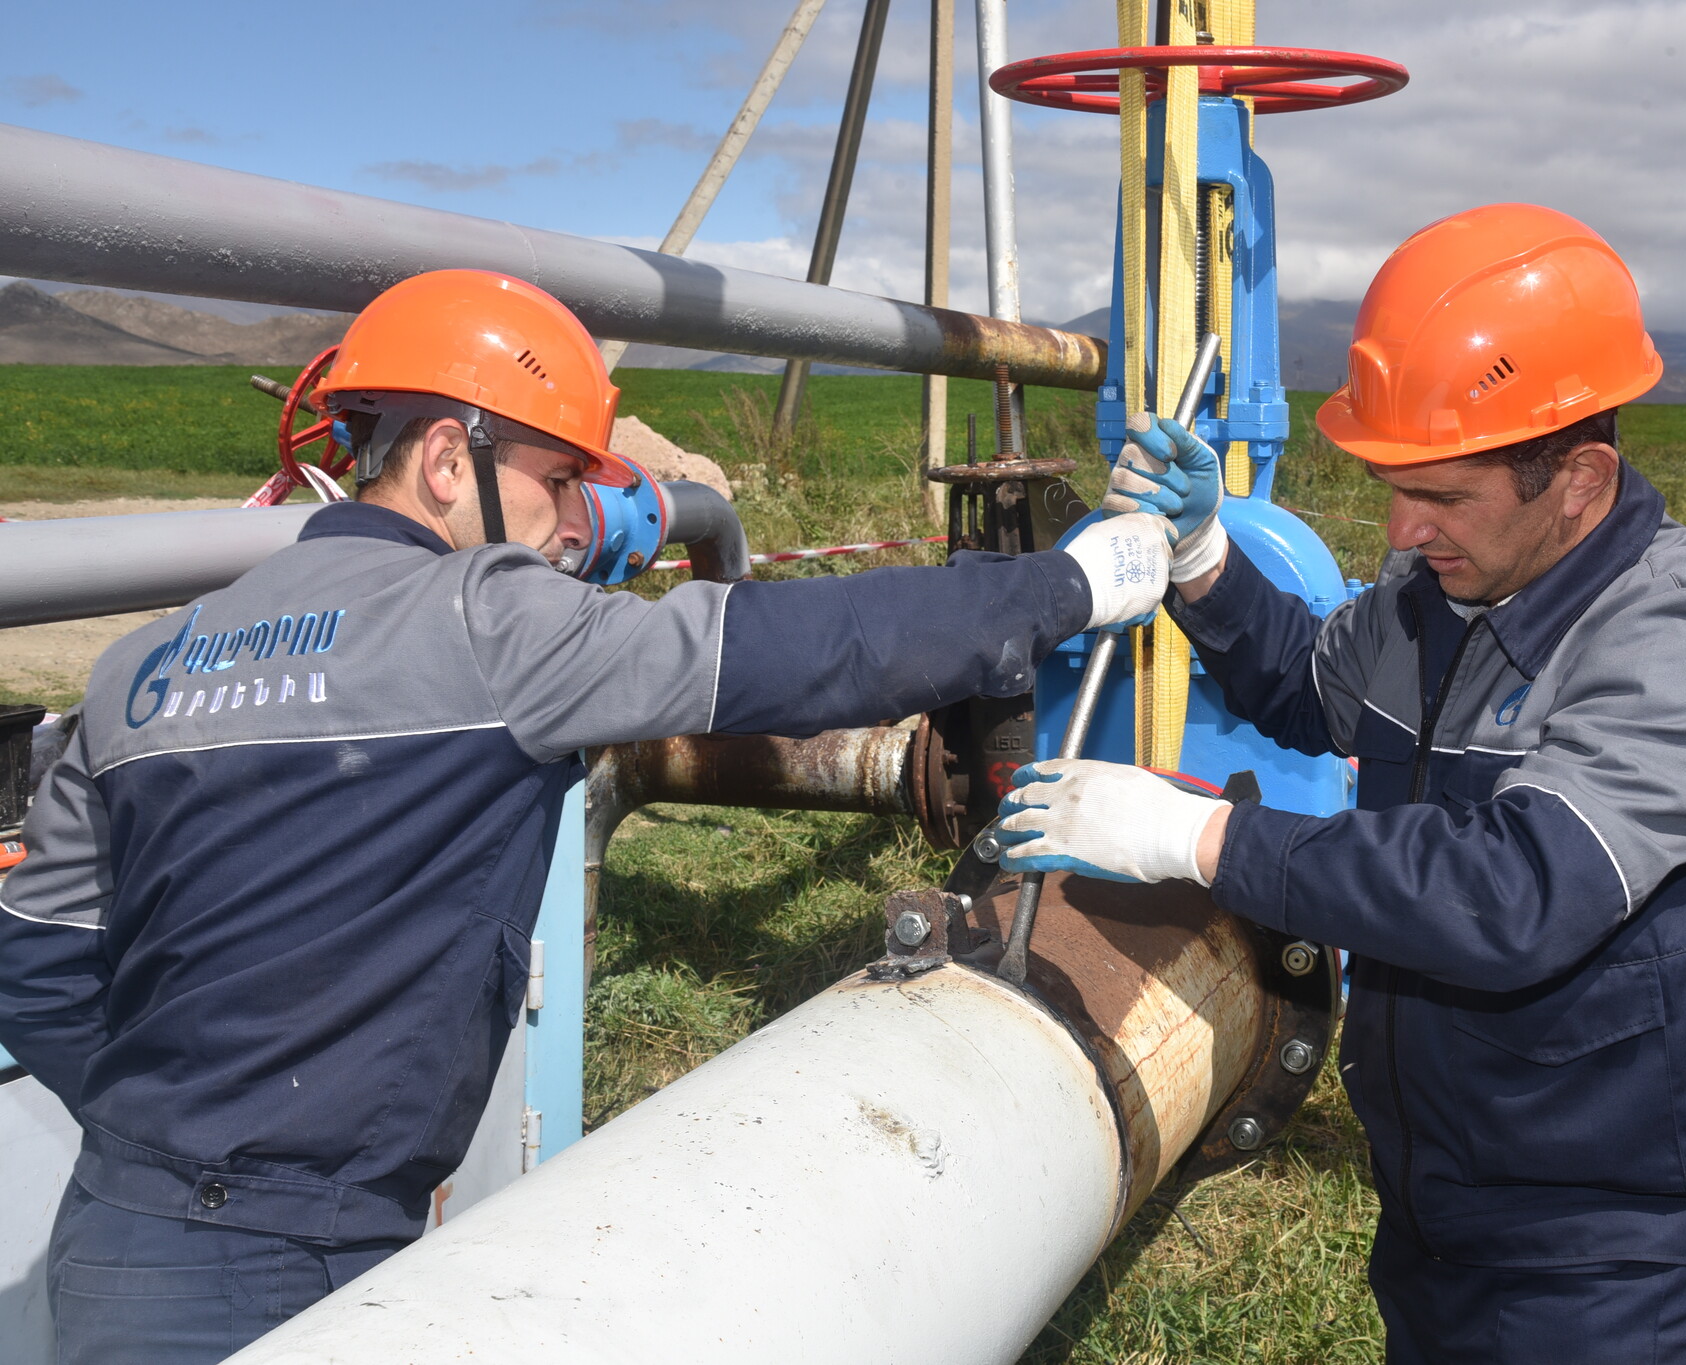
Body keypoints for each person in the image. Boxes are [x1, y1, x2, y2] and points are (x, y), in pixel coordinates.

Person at [0, 268, 1185, 1365]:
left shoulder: (142, 669)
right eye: (556, 476)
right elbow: (807, 648)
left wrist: (168, 1125)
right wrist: (1072, 583)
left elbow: (38, 962)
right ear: (446, 460)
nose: (575, 521)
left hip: (118, 1236)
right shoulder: (485, 625)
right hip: (293, 1259)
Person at [996, 204, 1686, 1364]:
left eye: (1440, 494)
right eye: (1391, 484)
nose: (1399, 526)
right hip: (1446, 1193)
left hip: (1617, 1240)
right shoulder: (1438, 603)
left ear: (1577, 478)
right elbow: (1304, 686)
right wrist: (1200, 557)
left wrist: (1202, 842)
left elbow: (1513, 893)